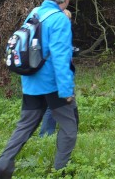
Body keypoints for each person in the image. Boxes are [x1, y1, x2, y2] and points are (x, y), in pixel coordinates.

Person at [0, 0, 79, 179]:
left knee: (25, 126)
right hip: (52, 84)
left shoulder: (35, 13)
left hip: (30, 81)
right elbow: (60, 58)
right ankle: (61, 171)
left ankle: (3, 165)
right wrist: (66, 91)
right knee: (69, 127)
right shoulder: (60, 20)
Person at [39, 8, 76, 138]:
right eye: (68, 19)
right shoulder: (58, 31)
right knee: (52, 106)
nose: (69, 22)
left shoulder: (59, 32)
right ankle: (46, 133)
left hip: (62, 74)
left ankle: (71, 128)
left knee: (69, 101)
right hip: (57, 74)